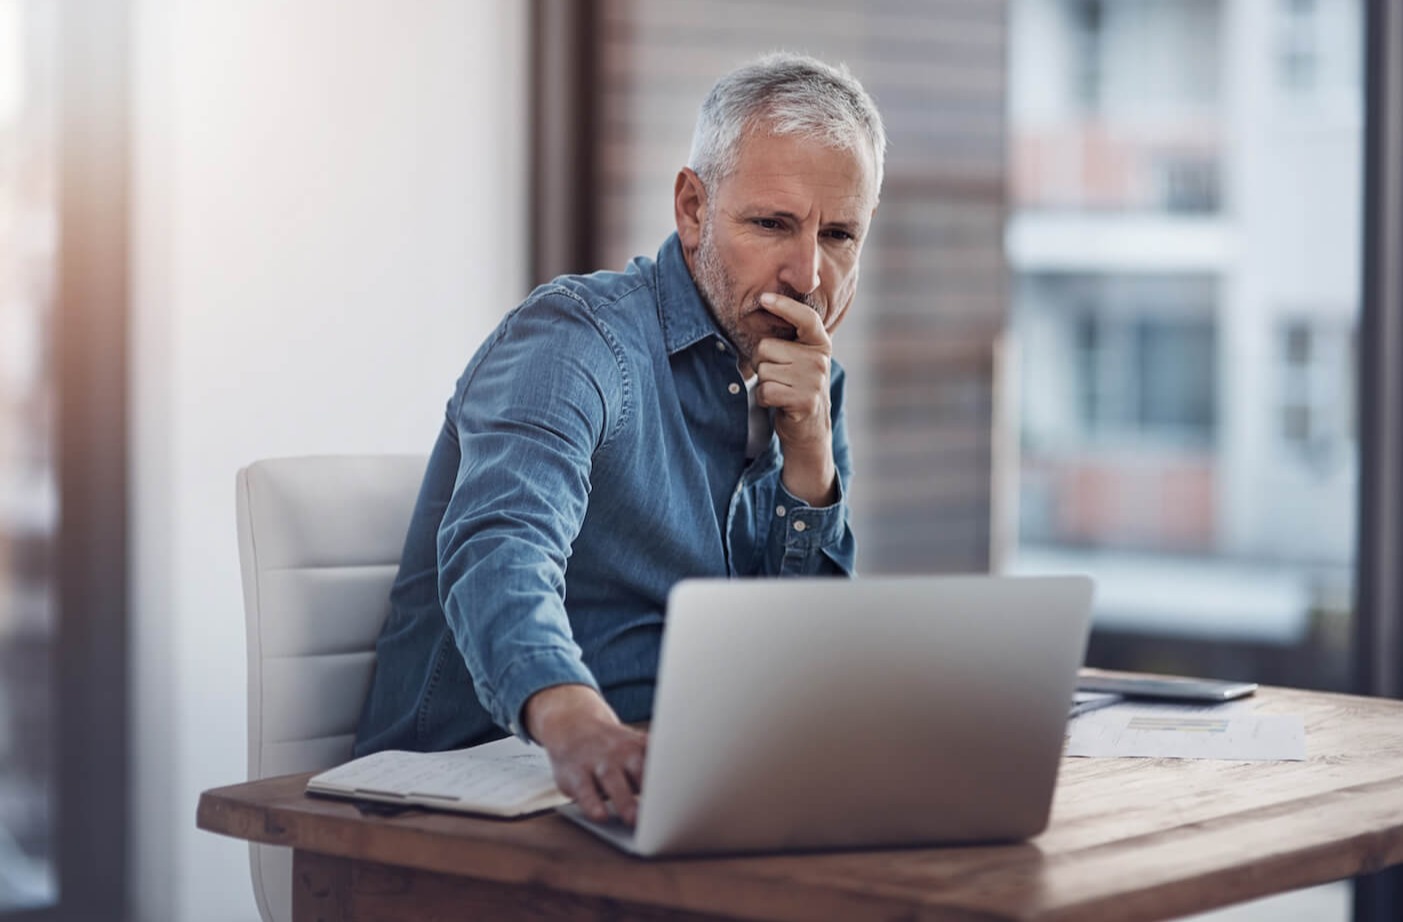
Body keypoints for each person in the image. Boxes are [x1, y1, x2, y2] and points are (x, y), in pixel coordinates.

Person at [354, 51, 886, 826]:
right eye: (771, 223)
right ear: (693, 207)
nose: (806, 273)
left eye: (838, 235)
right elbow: (502, 547)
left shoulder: (808, 385)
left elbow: (796, 669)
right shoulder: (576, 339)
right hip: (485, 796)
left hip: (683, 789)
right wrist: (576, 724)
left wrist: (808, 463)